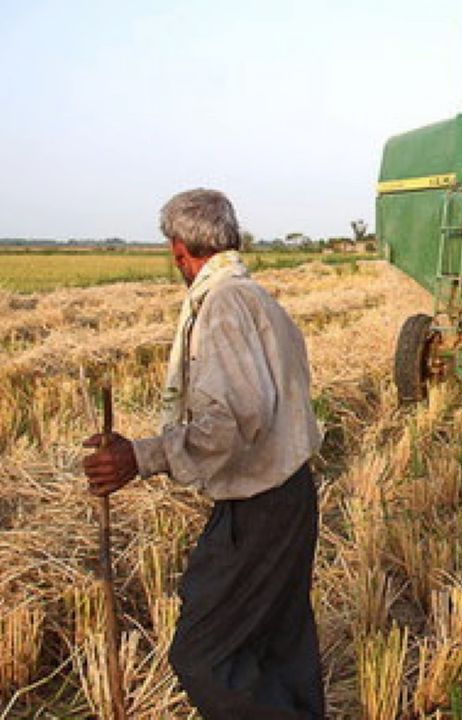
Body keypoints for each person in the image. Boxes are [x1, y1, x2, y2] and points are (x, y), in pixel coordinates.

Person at [82, 188, 325, 719]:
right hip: (289, 496)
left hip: (261, 505)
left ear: (179, 251)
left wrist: (139, 458)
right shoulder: (259, 298)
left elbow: (235, 418)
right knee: (280, 647)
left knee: (202, 656)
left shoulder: (223, 304)